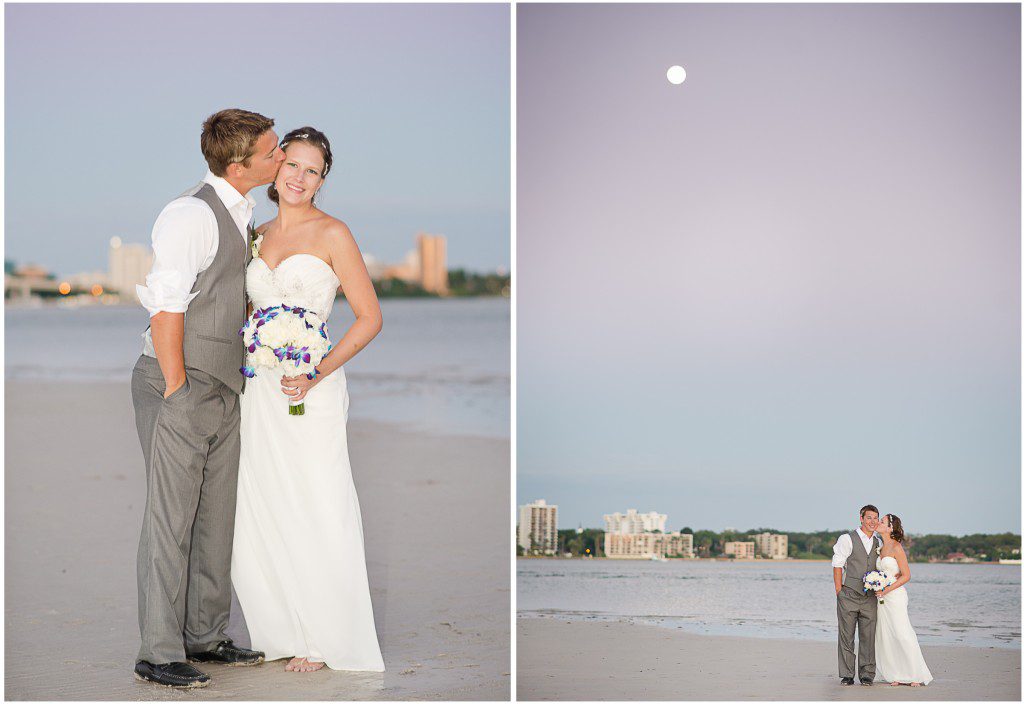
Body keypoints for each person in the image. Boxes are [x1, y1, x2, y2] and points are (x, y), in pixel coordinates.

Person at [131, 108, 285, 688]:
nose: (279, 160)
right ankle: (158, 649)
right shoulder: (191, 214)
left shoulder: (243, 212)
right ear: (241, 163)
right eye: (272, 153)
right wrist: (177, 388)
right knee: (169, 522)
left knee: (217, 519)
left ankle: (206, 635)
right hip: (180, 384)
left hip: (226, 385)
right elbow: (166, 304)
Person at [230, 126, 386, 672]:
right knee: (264, 502)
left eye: (311, 170)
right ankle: (281, 630)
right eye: (290, 164)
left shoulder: (334, 233)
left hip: (311, 389)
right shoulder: (254, 232)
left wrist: (315, 373)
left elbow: (370, 319)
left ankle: (322, 638)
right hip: (260, 389)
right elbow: (247, 314)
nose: (298, 177)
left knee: (318, 500)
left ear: (323, 179)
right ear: (276, 169)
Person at [874, 514, 933, 686]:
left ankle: (915, 674)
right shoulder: (880, 547)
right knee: (886, 635)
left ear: (890, 527)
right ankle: (896, 674)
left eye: (882, 521)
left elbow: (906, 575)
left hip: (895, 595)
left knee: (902, 633)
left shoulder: (896, 547)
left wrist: (886, 590)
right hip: (881, 596)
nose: (878, 523)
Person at [832, 504, 882, 686]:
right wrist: (839, 591)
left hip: (870, 597)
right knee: (846, 636)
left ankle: (867, 674)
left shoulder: (879, 542)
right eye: (869, 518)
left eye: (876, 518)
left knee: (868, 636)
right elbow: (838, 564)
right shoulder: (847, 539)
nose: (872, 521)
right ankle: (847, 674)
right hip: (849, 594)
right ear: (861, 518)